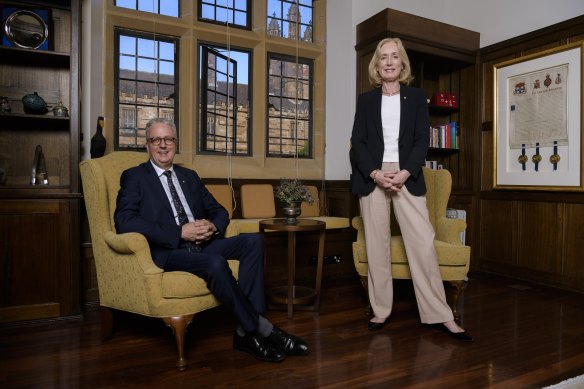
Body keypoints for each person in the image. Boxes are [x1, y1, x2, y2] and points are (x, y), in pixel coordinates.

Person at [114, 117, 310, 362]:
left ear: (176, 143)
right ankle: (264, 329)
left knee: (254, 242)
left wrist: (213, 225)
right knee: (216, 262)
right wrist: (179, 232)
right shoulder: (134, 177)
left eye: (168, 139)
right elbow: (124, 221)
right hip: (170, 251)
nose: (163, 145)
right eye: (156, 140)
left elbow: (219, 211)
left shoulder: (190, 176)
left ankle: (244, 333)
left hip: (203, 243)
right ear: (147, 145)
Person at [349, 38, 472, 342]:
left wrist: (404, 172)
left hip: (407, 173)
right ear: (376, 65)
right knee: (376, 244)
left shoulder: (416, 98)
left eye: (394, 57)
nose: (389, 62)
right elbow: (358, 144)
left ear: (402, 63)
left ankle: (440, 315)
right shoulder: (366, 100)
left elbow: (420, 141)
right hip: (373, 174)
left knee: (422, 243)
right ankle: (380, 310)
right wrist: (376, 173)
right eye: (383, 58)